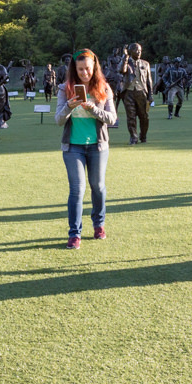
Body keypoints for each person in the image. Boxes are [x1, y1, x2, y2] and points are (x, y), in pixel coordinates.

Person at [55, 49, 117, 249]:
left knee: (97, 187)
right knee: (77, 190)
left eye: (87, 69)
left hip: (98, 146)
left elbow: (112, 119)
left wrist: (94, 109)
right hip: (73, 147)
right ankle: (75, 233)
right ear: (75, 69)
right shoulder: (65, 88)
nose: (84, 73)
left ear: (94, 68)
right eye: (80, 69)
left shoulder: (104, 88)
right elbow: (58, 120)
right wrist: (69, 107)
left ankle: (99, 224)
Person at [118, 42, 153, 143]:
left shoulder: (145, 64)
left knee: (144, 116)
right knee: (131, 116)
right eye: (136, 50)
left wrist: (150, 95)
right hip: (129, 92)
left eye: (140, 50)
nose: (139, 52)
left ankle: (143, 135)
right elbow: (122, 70)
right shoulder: (126, 62)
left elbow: (149, 80)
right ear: (131, 51)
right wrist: (125, 56)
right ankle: (133, 137)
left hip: (142, 92)